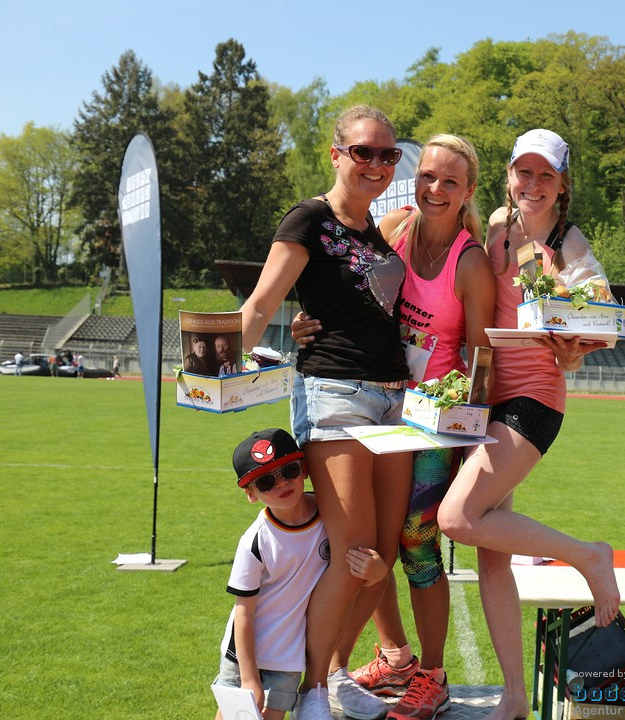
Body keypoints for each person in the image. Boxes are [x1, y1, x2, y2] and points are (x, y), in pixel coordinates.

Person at [291, 134, 494, 720]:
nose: (434, 188)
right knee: (373, 538)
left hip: (430, 422)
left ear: (468, 191)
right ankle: (394, 654)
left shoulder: (470, 260)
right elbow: (348, 289)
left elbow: (480, 359)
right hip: (380, 402)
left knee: (415, 541)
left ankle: (432, 674)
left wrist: (461, 421)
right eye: (427, 175)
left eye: (449, 181)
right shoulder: (394, 228)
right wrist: (311, 322)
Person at [436, 128, 620, 720]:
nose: (532, 185)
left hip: (534, 401)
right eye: (524, 172)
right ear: (509, 176)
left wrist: (576, 342)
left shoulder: (568, 241)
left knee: (457, 518)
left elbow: (604, 312)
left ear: (562, 185)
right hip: (486, 398)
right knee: (492, 553)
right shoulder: (495, 224)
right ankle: (514, 698)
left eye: (546, 176)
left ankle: (589, 556)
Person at [238, 105, 413, 720]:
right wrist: (218, 359)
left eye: (388, 155)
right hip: (336, 394)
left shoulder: (376, 232)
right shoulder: (309, 219)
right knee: (353, 551)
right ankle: (313, 688)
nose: (376, 164)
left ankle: (333, 670)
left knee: (381, 557)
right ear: (336, 154)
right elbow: (263, 301)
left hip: (396, 402)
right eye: (363, 151)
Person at [213, 428, 387, 720]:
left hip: (289, 658)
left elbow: (351, 578)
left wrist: (378, 572)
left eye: (289, 470)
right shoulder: (255, 541)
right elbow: (243, 614)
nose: (281, 483)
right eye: (266, 480)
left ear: (304, 469)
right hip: (244, 656)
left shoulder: (330, 518)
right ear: (250, 494)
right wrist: (249, 677)